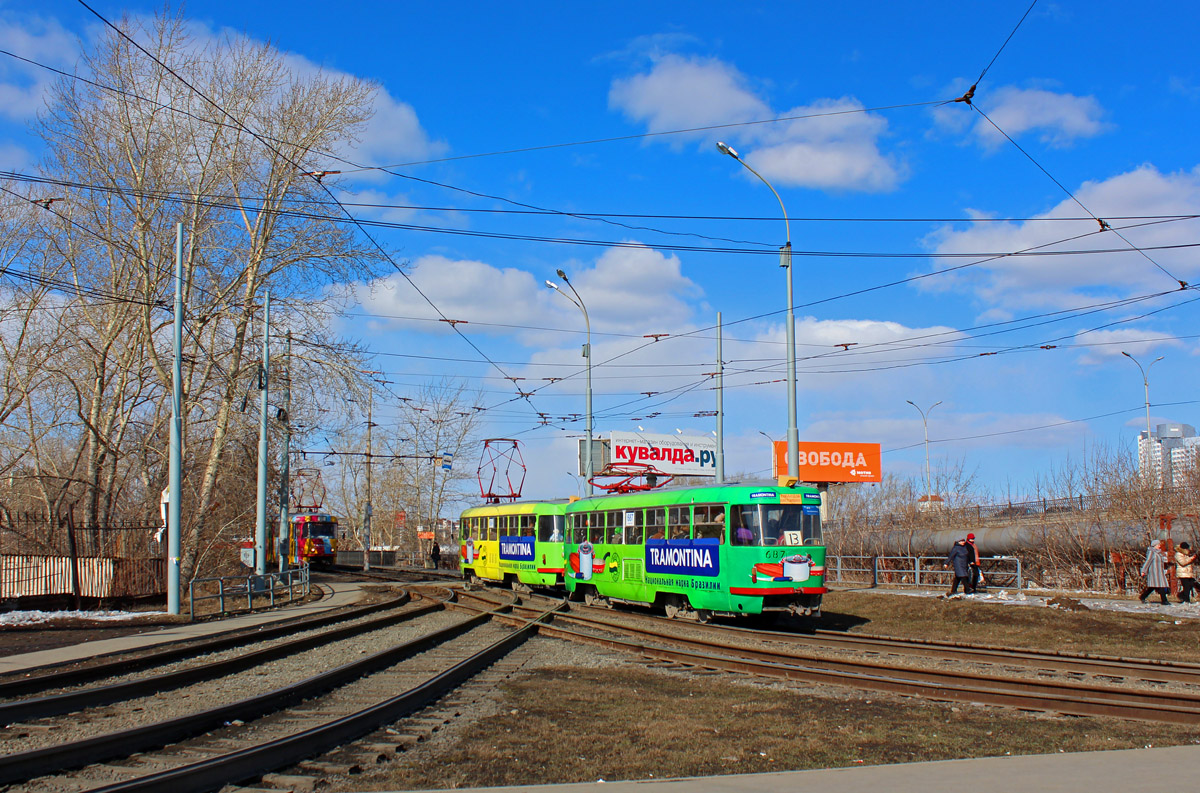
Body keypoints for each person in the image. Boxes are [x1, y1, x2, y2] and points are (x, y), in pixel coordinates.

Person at [1138, 540, 1171, 605]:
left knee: (1154, 586)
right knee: (1160, 585)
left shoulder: (1159, 553)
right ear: (1154, 545)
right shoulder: (1151, 552)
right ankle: (1164, 601)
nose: (1159, 546)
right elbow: (1148, 561)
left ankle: (1143, 596)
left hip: (1160, 572)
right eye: (1158, 544)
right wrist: (1143, 571)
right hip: (1154, 572)